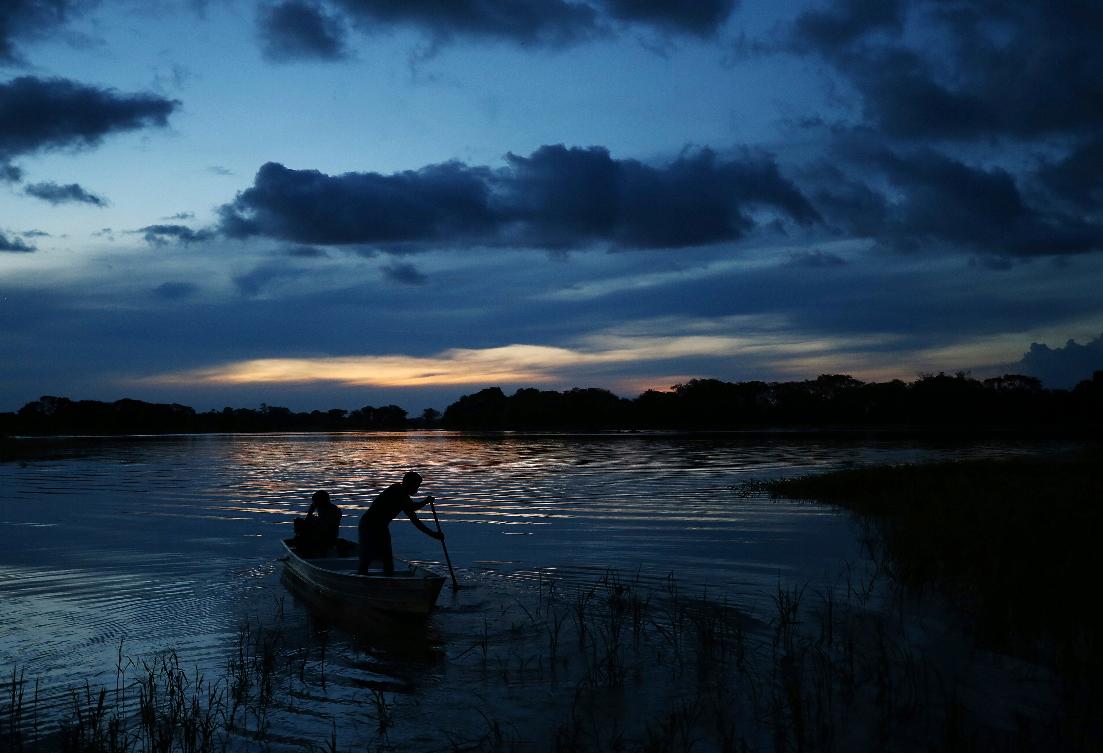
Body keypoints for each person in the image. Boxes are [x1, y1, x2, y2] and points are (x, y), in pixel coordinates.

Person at [358, 471, 442, 576]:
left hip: (381, 527)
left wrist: (433, 534)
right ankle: (363, 580)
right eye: (416, 486)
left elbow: (415, 521)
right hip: (369, 525)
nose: (417, 490)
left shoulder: (404, 498)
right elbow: (413, 507)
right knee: (368, 555)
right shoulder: (397, 490)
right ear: (409, 484)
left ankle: (389, 581)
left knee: (387, 557)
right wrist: (425, 501)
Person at [293, 490, 342, 557]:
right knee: (298, 522)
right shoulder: (322, 508)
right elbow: (311, 520)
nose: (314, 503)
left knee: (301, 530)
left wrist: (311, 521)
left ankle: (308, 552)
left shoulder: (331, 511)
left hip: (327, 539)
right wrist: (311, 512)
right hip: (322, 535)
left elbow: (324, 528)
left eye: (315, 501)